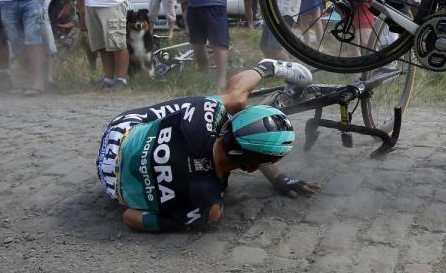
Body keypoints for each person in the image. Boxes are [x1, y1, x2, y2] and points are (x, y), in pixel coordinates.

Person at [96, 59, 320, 232]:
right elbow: (129, 216)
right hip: (113, 184)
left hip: (119, 132)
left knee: (234, 99)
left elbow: (130, 218)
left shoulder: (205, 113)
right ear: (251, 168)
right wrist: (279, 178)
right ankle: (267, 68)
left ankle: (267, 68)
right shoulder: (209, 207)